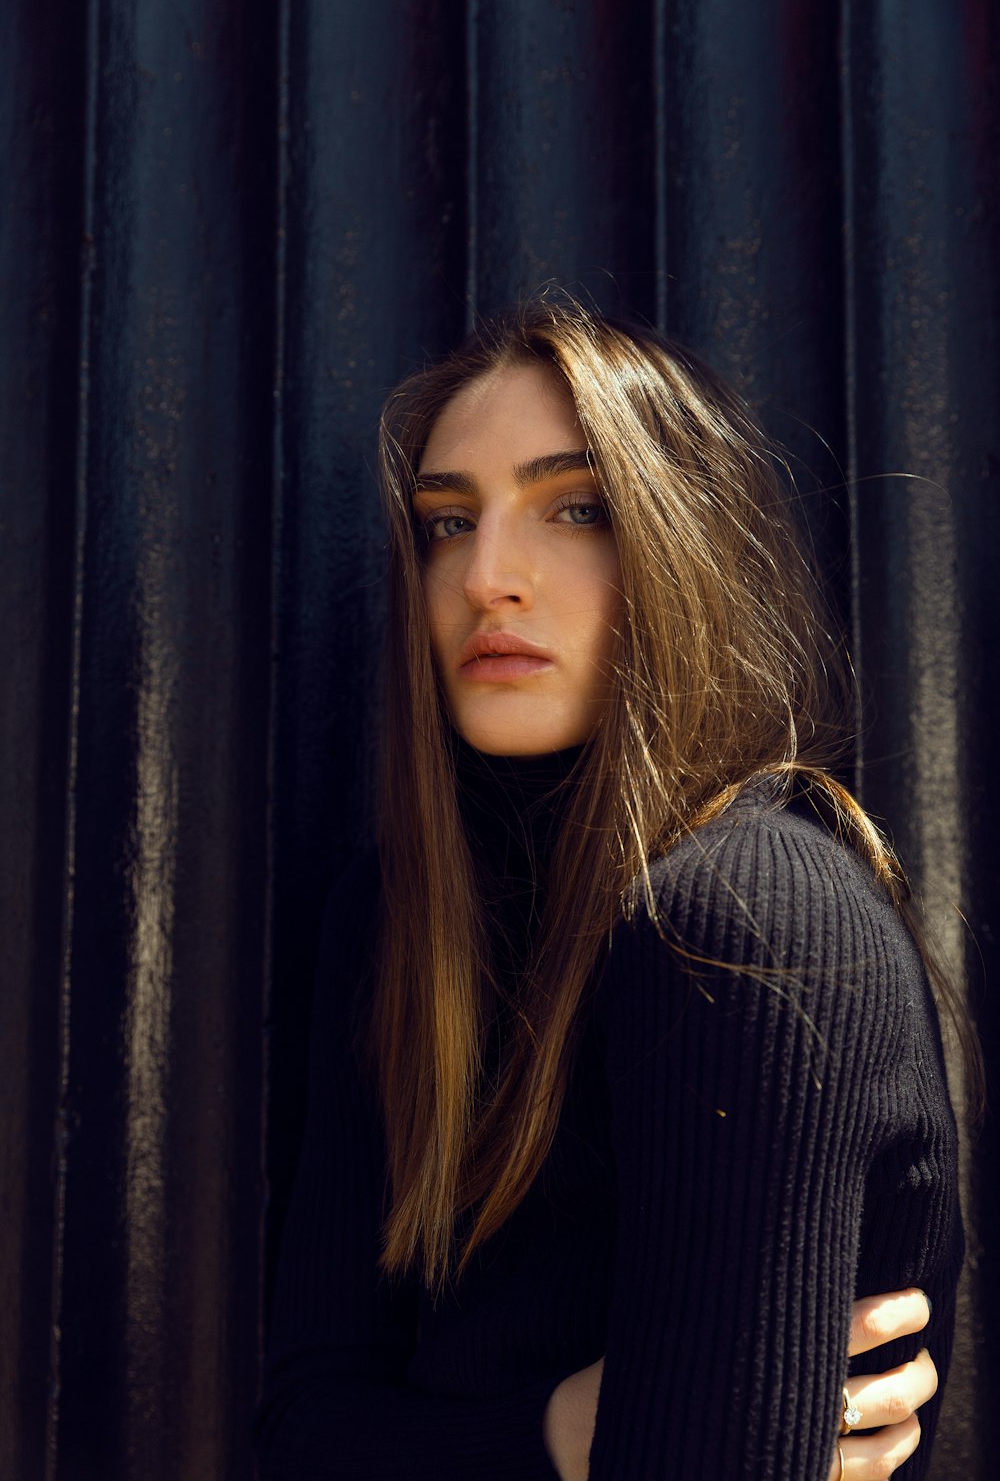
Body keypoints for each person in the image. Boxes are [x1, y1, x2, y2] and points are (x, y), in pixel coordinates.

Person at [257, 299, 968, 1479]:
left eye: (575, 509)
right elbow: (302, 1435)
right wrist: (561, 1431)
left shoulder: (748, 919)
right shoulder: (394, 920)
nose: (487, 578)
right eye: (445, 524)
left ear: (684, 553)